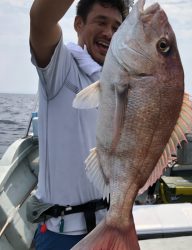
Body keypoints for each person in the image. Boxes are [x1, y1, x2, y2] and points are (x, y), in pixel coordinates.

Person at [28, 0, 128, 249]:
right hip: (62, 237)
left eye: (117, 27)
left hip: (114, 229)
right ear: (78, 24)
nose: (109, 33)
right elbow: (40, 20)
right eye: (101, 22)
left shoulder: (122, 83)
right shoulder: (60, 65)